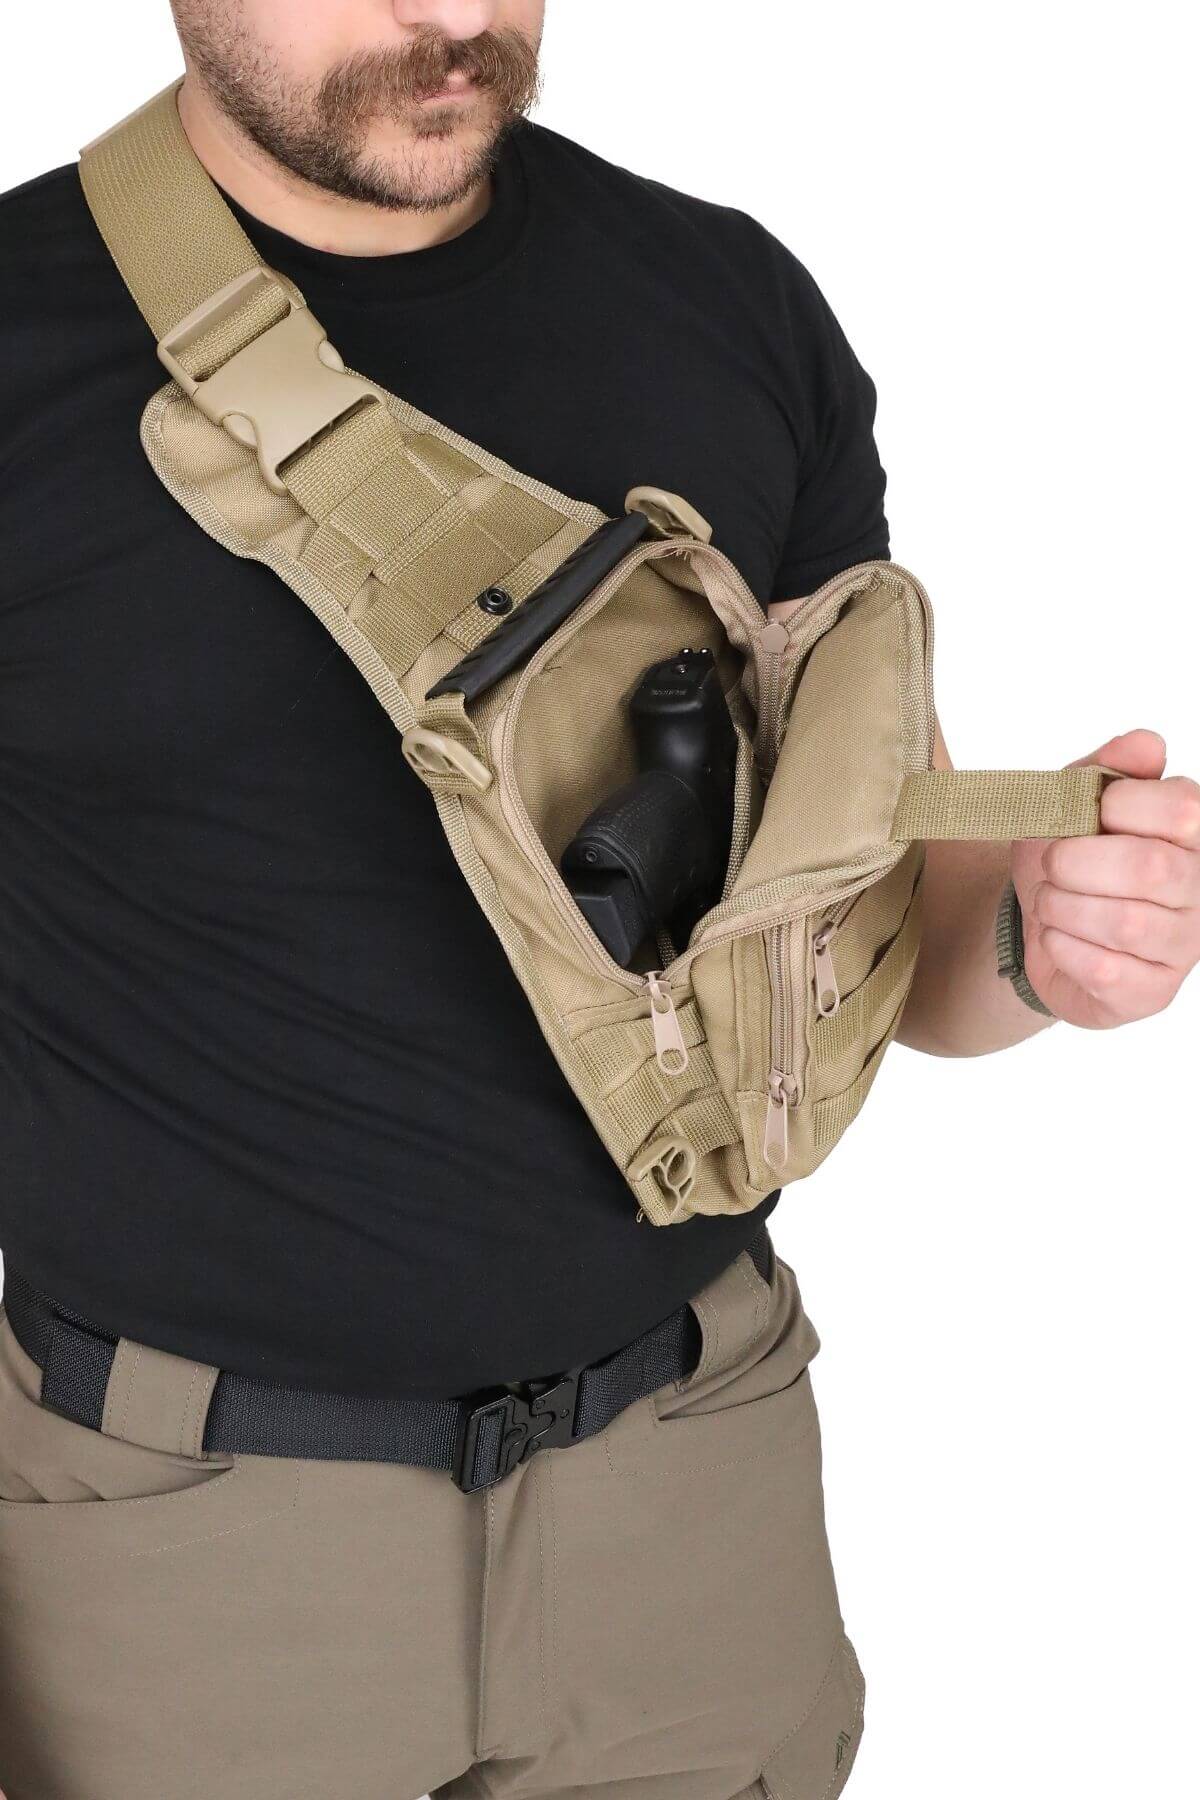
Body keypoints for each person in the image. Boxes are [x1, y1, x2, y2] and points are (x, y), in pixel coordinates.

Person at [0, 5, 1196, 1797]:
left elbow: (887, 937)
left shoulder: (725, 303)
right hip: (188, 1556)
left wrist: (1041, 945)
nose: (446, 16)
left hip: (691, 1498)